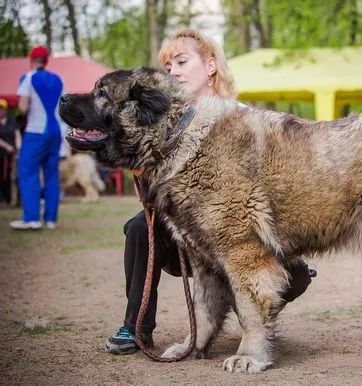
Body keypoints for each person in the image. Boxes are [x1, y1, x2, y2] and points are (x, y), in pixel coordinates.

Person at [105, 29, 316, 355]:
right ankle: (135, 327)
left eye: (181, 61)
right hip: (186, 230)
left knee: (295, 274)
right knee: (137, 228)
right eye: (168, 65)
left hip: (238, 228)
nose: (172, 70)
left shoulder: (241, 116)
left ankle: (252, 315)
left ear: (211, 66)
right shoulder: (159, 119)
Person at [10, 46, 65, 230]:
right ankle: (51, 220)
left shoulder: (29, 78)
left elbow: (23, 107)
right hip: (55, 131)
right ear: (46, 61)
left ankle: (32, 218)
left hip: (36, 132)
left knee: (28, 171)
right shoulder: (59, 79)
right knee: (51, 174)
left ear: (32, 60)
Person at [0, 98, 18, 204]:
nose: (0, 110)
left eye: (2, 108)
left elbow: (17, 134)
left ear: (6, 109)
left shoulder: (11, 120)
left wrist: (18, 147)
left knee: (11, 177)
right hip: (2, 153)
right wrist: (7, 146)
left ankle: (10, 199)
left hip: (11, 154)